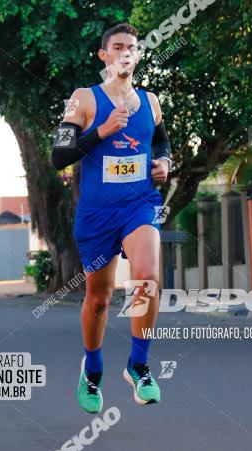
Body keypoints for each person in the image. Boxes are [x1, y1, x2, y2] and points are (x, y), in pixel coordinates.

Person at [51, 23, 173, 413]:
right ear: (104, 55)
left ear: (137, 56)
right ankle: (93, 369)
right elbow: (59, 155)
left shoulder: (151, 101)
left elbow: (162, 142)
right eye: (117, 46)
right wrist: (100, 131)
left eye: (131, 48)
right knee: (99, 299)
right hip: (97, 213)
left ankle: (139, 365)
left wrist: (165, 163)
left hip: (139, 204)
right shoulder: (84, 99)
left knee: (148, 279)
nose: (125, 53)